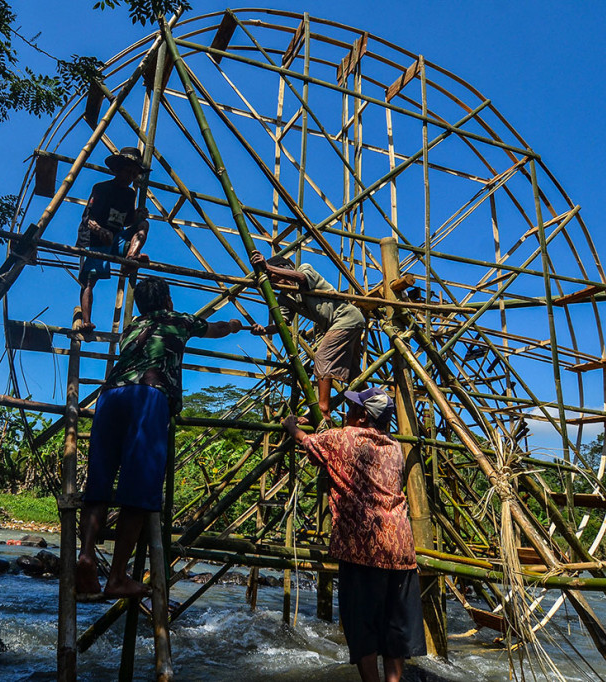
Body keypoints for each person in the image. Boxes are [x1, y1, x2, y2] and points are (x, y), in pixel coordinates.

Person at [75, 277, 246, 598]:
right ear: (167, 299)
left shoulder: (132, 326)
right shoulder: (179, 319)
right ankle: (116, 577)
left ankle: (85, 555)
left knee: (98, 488)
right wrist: (235, 324)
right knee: (138, 492)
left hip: (110, 395)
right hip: (148, 394)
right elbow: (216, 328)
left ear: (139, 304)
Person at [282, 387, 425, 682]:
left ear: (361, 417)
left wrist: (291, 425)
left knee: (362, 626)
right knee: (393, 626)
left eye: (353, 408)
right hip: (400, 546)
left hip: (364, 546)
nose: (347, 411)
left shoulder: (343, 437)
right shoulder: (395, 447)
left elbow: (307, 443)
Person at [249, 250, 366, 423]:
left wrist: (267, 267)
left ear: (282, 268)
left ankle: (323, 410)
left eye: (272, 277)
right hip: (339, 324)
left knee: (322, 356)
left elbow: (302, 278)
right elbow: (282, 323)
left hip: (346, 317)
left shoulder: (304, 269)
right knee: (353, 371)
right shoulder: (285, 298)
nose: (273, 282)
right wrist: (265, 330)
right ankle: (368, 405)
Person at [75, 146, 151, 332]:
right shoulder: (101, 189)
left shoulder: (129, 194)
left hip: (116, 238)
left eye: (134, 174)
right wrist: (100, 231)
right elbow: (88, 218)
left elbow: (125, 220)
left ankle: (130, 257)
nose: (130, 176)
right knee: (89, 282)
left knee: (144, 225)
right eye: (127, 171)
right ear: (118, 169)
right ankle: (86, 320)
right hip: (94, 240)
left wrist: (137, 216)